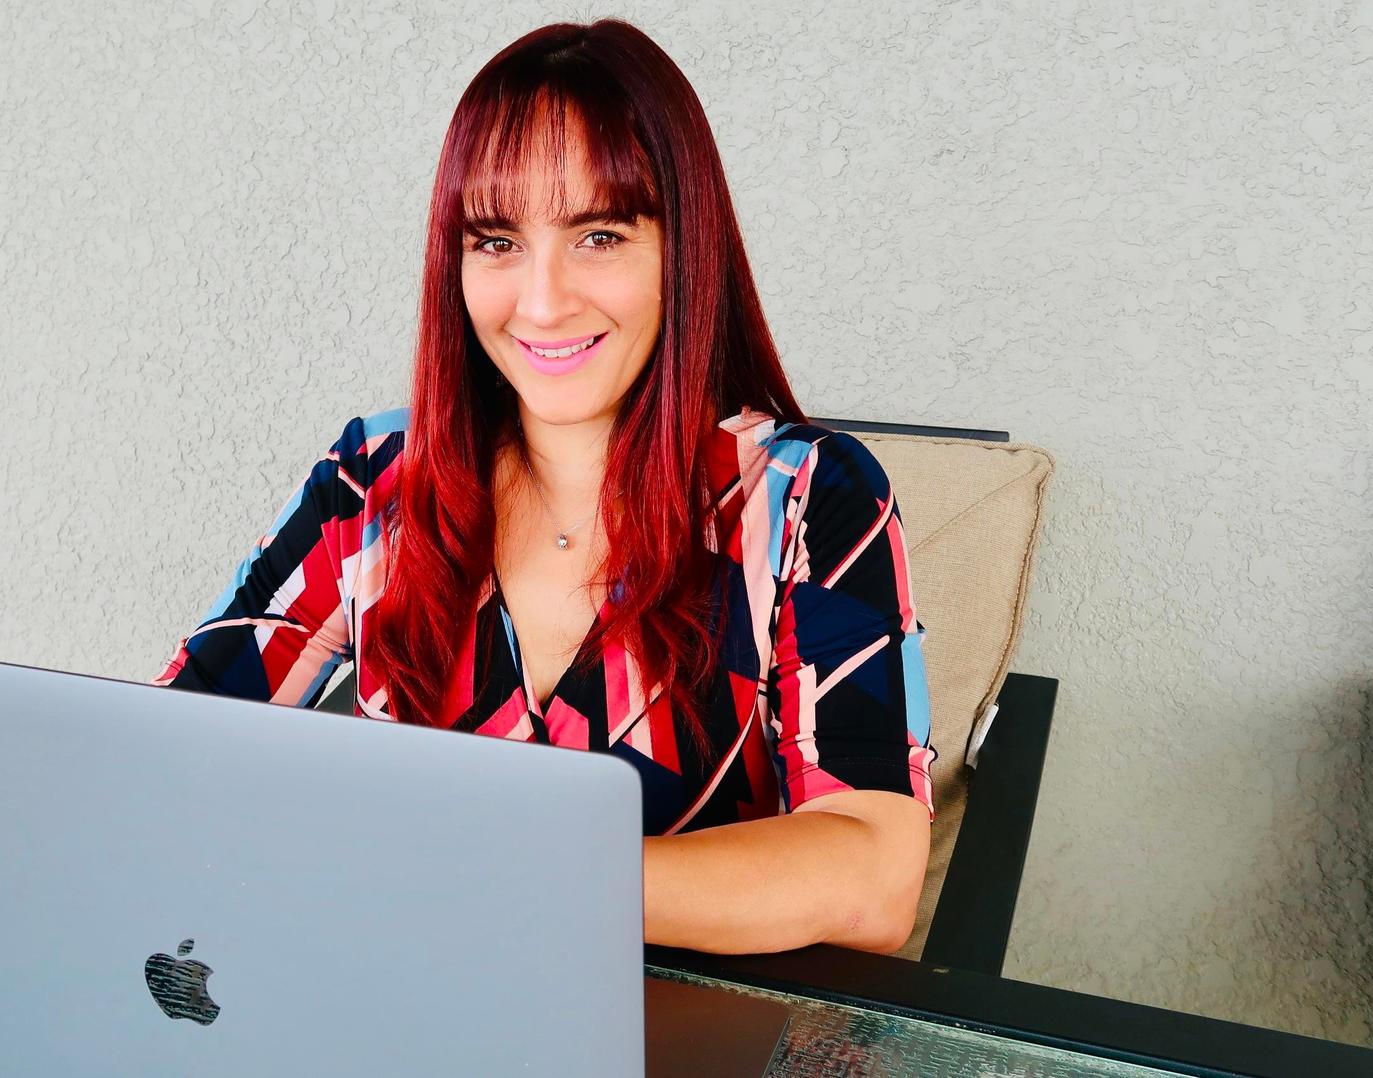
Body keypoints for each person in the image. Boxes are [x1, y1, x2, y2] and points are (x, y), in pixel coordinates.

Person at [153, 18, 936, 957]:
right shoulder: (373, 480)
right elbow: (171, 751)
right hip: (390, 1000)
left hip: (665, 1021)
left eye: (599, 235)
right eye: (497, 241)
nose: (542, 301)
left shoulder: (804, 497)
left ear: (684, 249)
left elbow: (869, 875)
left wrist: (494, 874)